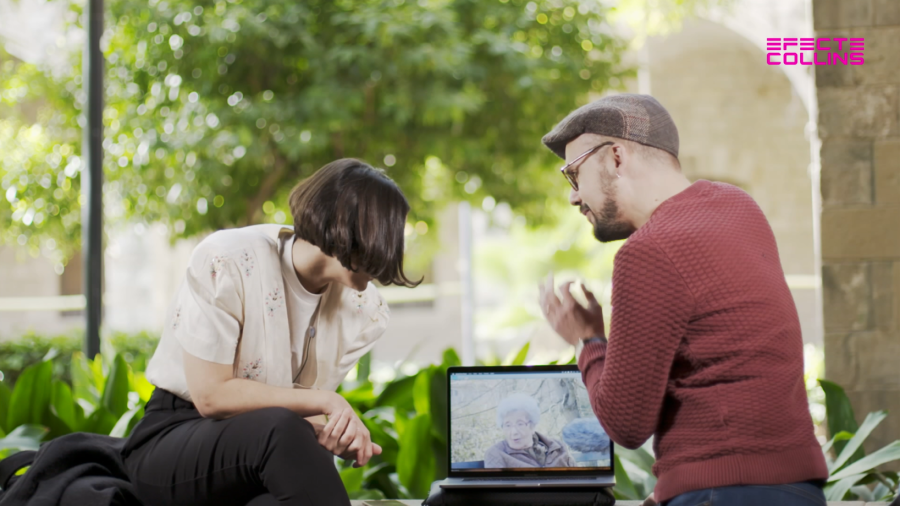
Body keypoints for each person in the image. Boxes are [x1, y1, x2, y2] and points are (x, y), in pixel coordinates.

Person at [537, 94, 828, 506]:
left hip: (725, 492)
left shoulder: (648, 251)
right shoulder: (739, 207)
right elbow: (727, 365)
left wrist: (587, 340)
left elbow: (626, 424)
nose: (573, 197)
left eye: (573, 174)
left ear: (616, 157)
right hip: (796, 488)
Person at [122, 158, 420, 506]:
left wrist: (328, 433)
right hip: (174, 440)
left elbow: (292, 418)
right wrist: (327, 401)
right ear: (343, 225)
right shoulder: (228, 259)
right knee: (282, 429)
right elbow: (210, 396)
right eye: (383, 235)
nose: (388, 254)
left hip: (258, 453)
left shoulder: (364, 310)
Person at [483, 393, 576, 468]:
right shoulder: (496, 454)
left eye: (520, 424)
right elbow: (497, 490)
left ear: (532, 425)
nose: (514, 432)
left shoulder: (557, 447)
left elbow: (577, 479)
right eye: (508, 425)